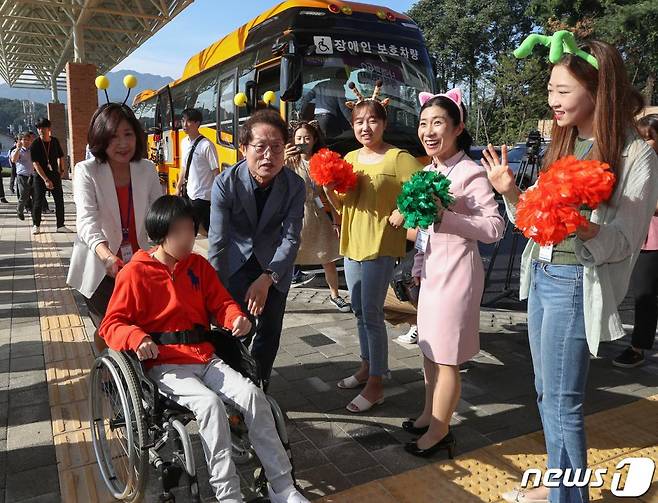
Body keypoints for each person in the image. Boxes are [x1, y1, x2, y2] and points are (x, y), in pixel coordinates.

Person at [483, 35, 658, 503]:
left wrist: (581, 226)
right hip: (541, 276)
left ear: (598, 91)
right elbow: (534, 224)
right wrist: (510, 192)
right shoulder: (565, 144)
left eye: (562, 91)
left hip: (576, 284)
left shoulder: (634, 153)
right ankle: (559, 486)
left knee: (564, 403)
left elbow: (627, 239)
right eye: (550, 89)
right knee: (545, 394)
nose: (551, 100)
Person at [100, 195, 309, 503]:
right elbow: (111, 324)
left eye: (191, 229)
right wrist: (136, 338)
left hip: (205, 357)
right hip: (165, 365)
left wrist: (235, 318)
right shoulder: (135, 273)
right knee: (210, 405)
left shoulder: (197, 266)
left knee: (253, 395)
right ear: (161, 233)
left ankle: (282, 485)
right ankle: (228, 496)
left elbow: (220, 302)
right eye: (180, 231)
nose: (189, 238)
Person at [403, 89, 504, 458]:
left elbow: (494, 228)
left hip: (458, 274)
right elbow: (424, 232)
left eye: (438, 123)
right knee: (429, 351)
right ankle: (430, 413)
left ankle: (442, 430)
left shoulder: (470, 172)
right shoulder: (427, 171)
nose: (429, 131)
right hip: (431, 273)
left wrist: (446, 216)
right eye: (423, 123)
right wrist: (416, 268)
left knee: (446, 357)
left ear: (458, 127)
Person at [322, 81, 422, 413]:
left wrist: (403, 210)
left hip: (380, 244)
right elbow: (341, 202)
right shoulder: (349, 157)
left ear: (384, 123)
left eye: (373, 121)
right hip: (351, 242)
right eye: (359, 122)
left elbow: (425, 188)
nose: (366, 127)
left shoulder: (399, 158)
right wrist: (330, 188)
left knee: (374, 314)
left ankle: (377, 382)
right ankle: (367, 366)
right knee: (360, 311)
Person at [208, 109, 305, 387]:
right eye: (260, 147)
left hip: (275, 266)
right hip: (235, 265)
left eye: (276, 148)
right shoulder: (225, 183)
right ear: (243, 148)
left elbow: (291, 237)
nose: (268, 156)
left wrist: (268, 278)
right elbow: (217, 240)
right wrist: (214, 291)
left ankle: (260, 384)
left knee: (270, 331)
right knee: (236, 329)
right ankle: (234, 385)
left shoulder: (294, 185)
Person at [66, 103, 163, 352]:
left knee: (141, 324)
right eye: (113, 136)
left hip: (139, 263)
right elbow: (87, 220)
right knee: (108, 327)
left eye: (128, 134)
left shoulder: (147, 168)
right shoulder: (86, 171)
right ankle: (106, 372)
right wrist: (107, 256)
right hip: (101, 265)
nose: (122, 143)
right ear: (100, 139)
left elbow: (158, 214)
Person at [284, 121, 351, 312]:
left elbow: (329, 193)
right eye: (298, 138)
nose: (303, 141)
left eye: (307, 138)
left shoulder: (321, 160)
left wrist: (337, 220)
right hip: (294, 215)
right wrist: (280, 160)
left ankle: (335, 295)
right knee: (287, 258)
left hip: (317, 212)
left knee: (328, 256)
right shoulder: (288, 161)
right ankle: (279, 296)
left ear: (314, 140)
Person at [613, 114, 658, 368]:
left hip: (653, 240)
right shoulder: (635, 165)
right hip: (635, 237)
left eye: (648, 139)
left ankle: (638, 347)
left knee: (644, 295)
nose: (642, 145)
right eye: (638, 139)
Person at [175, 107, 219, 234]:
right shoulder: (184, 142)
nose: (185, 125)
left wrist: (218, 194)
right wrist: (178, 188)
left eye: (189, 121)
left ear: (197, 123)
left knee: (196, 228)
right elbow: (183, 168)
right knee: (196, 228)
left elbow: (216, 171)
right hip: (190, 193)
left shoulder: (207, 145)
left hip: (204, 195)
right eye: (183, 121)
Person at [30, 117, 66, 234]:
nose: (41, 130)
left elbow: (61, 155)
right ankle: (36, 225)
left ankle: (60, 225)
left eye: (43, 127)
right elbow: (36, 163)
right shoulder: (35, 144)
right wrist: (45, 179)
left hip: (54, 174)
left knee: (59, 200)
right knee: (38, 201)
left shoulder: (54, 141)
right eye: (39, 128)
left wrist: (61, 169)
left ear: (48, 129)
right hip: (40, 176)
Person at [298, 69, 352, 138]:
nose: (347, 81)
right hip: (329, 120)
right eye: (346, 78)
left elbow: (305, 99)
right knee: (337, 142)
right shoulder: (338, 86)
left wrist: (301, 113)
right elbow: (343, 107)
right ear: (342, 77)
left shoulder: (319, 85)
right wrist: (351, 120)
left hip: (317, 119)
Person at [11, 132, 34, 221]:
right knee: (24, 195)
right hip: (22, 176)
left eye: (28, 140)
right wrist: (18, 149)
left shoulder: (32, 150)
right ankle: (19, 210)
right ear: (20, 141)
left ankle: (34, 213)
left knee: (35, 196)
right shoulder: (17, 151)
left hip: (32, 176)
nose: (27, 141)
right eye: (24, 140)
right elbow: (14, 160)